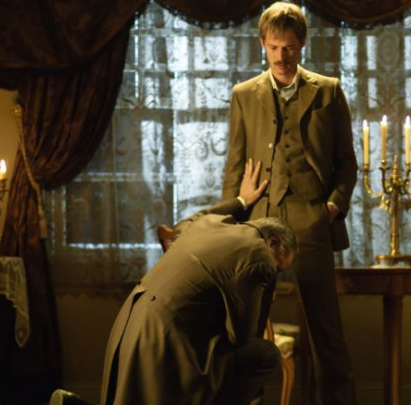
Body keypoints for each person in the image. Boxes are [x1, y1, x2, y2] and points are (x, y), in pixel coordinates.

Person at [221, 0, 358, 405]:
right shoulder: (244, 95)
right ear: (263, 44)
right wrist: (231, 221)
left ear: (302, 45)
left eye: (290, 47)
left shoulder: (328, 91)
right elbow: (234, 165)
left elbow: (346, 162)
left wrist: (331, 207)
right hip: (259, 220)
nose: (282, 56)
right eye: (274, 47)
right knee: (248, 327)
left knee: (326, 329)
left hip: (311, 218)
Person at [98, 159, 298, 405]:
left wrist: (241, 201)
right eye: (279, 267)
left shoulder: (208, 224)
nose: (274, 274)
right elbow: (242, 337)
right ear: (273, 241)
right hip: (168, 341)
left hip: (131, 324)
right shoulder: (258, 255)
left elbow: (186, 222)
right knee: (265, 354)